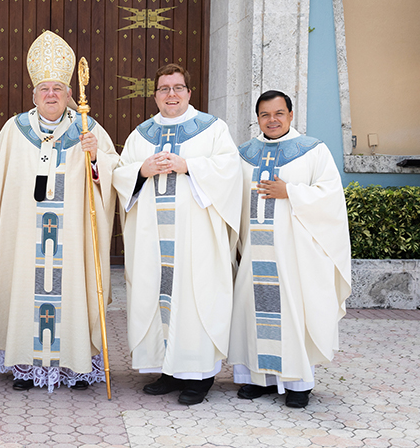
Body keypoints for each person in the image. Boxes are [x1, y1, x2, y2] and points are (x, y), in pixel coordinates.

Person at [0, 30, 120, 392]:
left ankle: (75, 366)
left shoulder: (87, 128)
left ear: (70, 94)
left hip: (71, 239)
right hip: (26, 235)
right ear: (33, 94)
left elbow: (112, 174)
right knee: (24, 289)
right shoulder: (15, 129)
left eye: (59, 88)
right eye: (45, 89)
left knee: (72, 290)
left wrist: (96, 157)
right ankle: (25, 364)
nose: (52, 95)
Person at [113, 63, 242, 405]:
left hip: (196, 237)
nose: (171, 94)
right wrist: (142, 170)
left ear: (189, 92)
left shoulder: (212, 129)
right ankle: (167, 370)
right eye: (164, 89)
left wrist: (190, 166)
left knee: (195, 298)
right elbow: (121, 174)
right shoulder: (141, 134)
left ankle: (199, 376)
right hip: (153, 237)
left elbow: (231, 170)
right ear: (155, 95)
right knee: (158, 297)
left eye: (178, 88)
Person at [228, 90, 351, 408]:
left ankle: (298, 383)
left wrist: (290, 192)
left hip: (295, 255)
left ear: (291, 115)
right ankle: (259, 379)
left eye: (279, 113)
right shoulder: (243, 153)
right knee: (253, 313)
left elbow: (331, 197)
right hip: (255, 253)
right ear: (257, 118)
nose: (272, 120)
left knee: (293, 313)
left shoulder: (312, 151)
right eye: (265, 115)